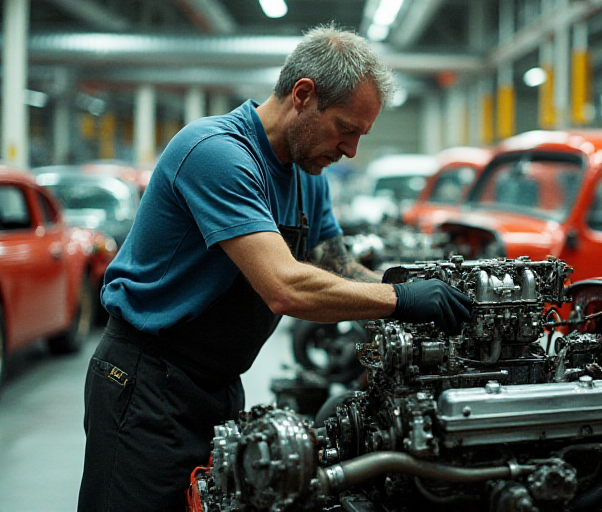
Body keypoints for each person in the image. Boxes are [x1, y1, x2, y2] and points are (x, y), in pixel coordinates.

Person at [77, 24, 472, 512]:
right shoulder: (217, 153)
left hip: (219, 387)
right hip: (146, 383)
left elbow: (336, 265)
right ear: (303, 95)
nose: (351, 150)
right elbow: (283, 287)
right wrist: (398, 301)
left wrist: (407, 288)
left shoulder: (309, 176)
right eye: (346, 129)